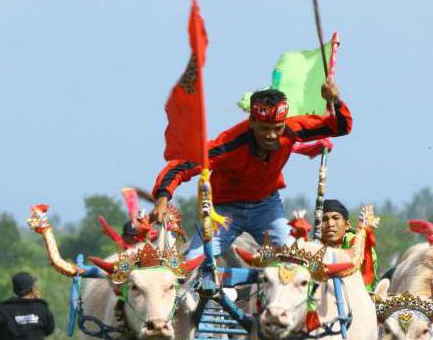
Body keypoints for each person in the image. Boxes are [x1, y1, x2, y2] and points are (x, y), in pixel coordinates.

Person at [151, 78, 352, 258]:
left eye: (277, 128)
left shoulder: (292, 129)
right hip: (225, 212)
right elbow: (182, 166)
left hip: (267, 208)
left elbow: (341, 127)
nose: (272, 135)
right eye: (265, 128)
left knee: (296, 258)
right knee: (193, 260)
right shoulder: (229, 143)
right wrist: (162, 197)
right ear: (252, 122)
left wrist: (334, 101)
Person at [320, 199, 378, 290]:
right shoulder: (315, 247)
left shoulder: (357, 243)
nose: (330, 224)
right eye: (324, 219)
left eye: (336, 218)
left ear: (347, 225)